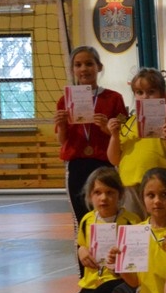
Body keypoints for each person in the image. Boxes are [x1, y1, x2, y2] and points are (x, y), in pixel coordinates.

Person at [49, 167, 142, 293]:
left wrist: (120, 265)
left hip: (122, 282)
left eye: (110, 192)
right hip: (92, 284)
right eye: (97, 192)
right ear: (90, 196)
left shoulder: (132, 221)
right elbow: (82, 245)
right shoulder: (87, 220)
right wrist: (81, 251)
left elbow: (138, 263)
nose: (103, 198)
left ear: (120, 195)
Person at [54, 46, 128, 226]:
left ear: (99, 67)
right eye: (78, 65)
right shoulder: (65, 101)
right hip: (77, 164)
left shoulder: (114, 98)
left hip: (105, 163)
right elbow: (62, 140)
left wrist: (107, 129)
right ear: (72, 69)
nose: (83, 69)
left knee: (108, 215)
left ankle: (109, 246)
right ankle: (82, 246)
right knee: (81, 220)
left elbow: (123, 136)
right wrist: (62, 125)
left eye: (89, 64)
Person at [108, 68, 166, 217]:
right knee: (134, 227)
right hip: (131, 187)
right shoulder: (127, 123)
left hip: (161, 188)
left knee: (162, 227)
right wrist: (114, 136)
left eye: (151, 92)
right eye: (139, 92)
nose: (145, 97)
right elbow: (114, 159)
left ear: (162, 94)